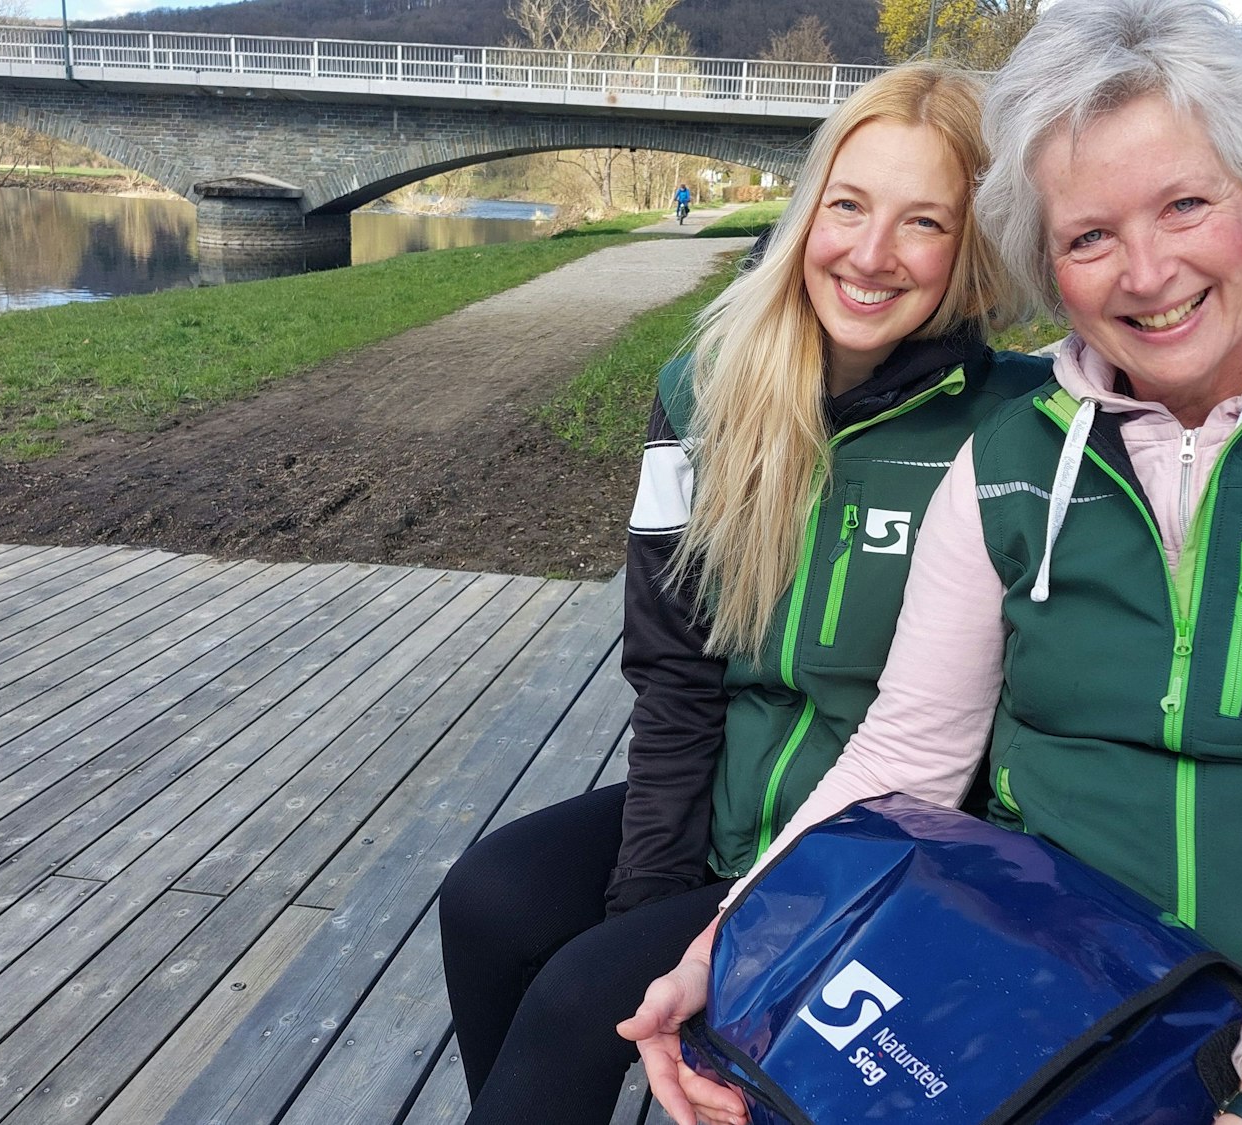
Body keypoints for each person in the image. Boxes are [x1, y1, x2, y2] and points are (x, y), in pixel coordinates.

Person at [621, 4, 1242, 1125]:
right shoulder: (1009, 463)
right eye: (1088, 236)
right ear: (1046, 266)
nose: (1145, 272)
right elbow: (908, 750)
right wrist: (729, 947)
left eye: (1185, 204)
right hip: (1056, 985)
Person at [437, 61, 1045, 1124]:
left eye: (921, 223)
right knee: (488, 899)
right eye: (846, 206)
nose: (868, 253)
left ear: (972, 246)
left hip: (882, 855)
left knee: (579, 1001)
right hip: (726, 801)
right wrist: (648, 893)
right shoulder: (702, 386)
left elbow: (1184, 370)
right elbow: (674, 671)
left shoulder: (1019, 424)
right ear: (808, 208)